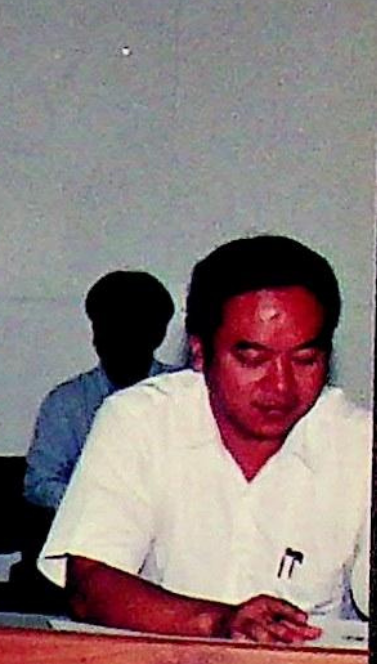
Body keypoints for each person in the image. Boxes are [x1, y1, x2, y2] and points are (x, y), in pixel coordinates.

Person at [41, 235, 372, 643]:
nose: (281, 386)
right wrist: (219, 623)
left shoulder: (358, 442)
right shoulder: (140, 420)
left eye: (306, 359)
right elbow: (90, 584)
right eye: (253, 359)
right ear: (199, 352)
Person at [24, 270, 176, 510]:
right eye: (108, 326)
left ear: (158, 335)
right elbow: (40, 482)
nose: (119, 338)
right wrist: (99, 506)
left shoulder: (186, 394)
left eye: (132, 327)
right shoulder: (67, 403)